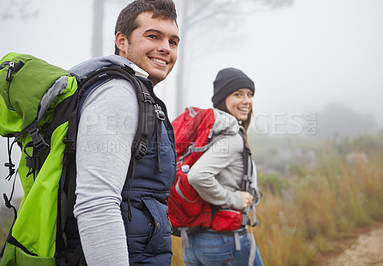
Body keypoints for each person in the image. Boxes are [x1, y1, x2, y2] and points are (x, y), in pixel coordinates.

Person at [69, 0, 179, 265]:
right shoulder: (118, 93)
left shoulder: (135, 92)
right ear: (122, 41)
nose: (165, 47)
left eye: (173, 42)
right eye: (153, 36)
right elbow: (96, 204)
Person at [183, 67, 263, 265]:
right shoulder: (230, 137)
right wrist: (233, 198)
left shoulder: (208, 132)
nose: (247, 101)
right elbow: (197, 176)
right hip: (226, 241)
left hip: (193, 241)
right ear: (222, 98)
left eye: (249, 94)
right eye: (238, 94)